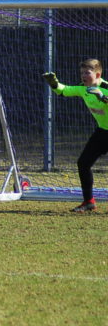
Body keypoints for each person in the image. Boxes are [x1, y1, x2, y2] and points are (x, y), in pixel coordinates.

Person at [43, 59, 108, 212]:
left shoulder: (105, 88)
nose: (83, 76)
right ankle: (89, 202)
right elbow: (64, 90)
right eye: (82, 73)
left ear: (98, 74)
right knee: (83, 163)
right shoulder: (82, 88)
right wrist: (54, 84)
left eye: (87, 73)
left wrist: (104, 98)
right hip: (103, 131)